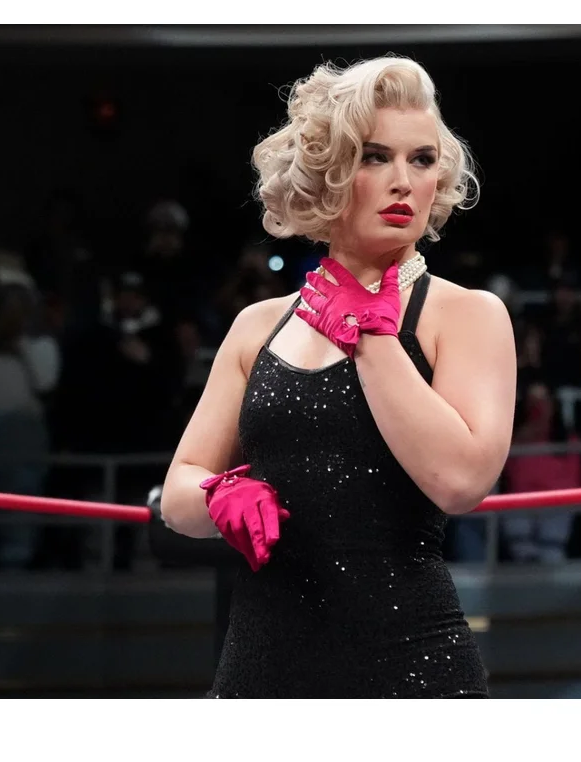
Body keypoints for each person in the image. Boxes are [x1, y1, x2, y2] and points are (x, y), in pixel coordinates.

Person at [158, 55, 517, 698]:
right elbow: (178, 490)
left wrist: (368, 334)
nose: (403, 181)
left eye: (422, 160)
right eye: (376, 157)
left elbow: (461, 481)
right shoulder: (257, 326)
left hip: (412, 672)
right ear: (328, 174)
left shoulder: (468, 315)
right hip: (257, 674)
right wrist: (219, 497)